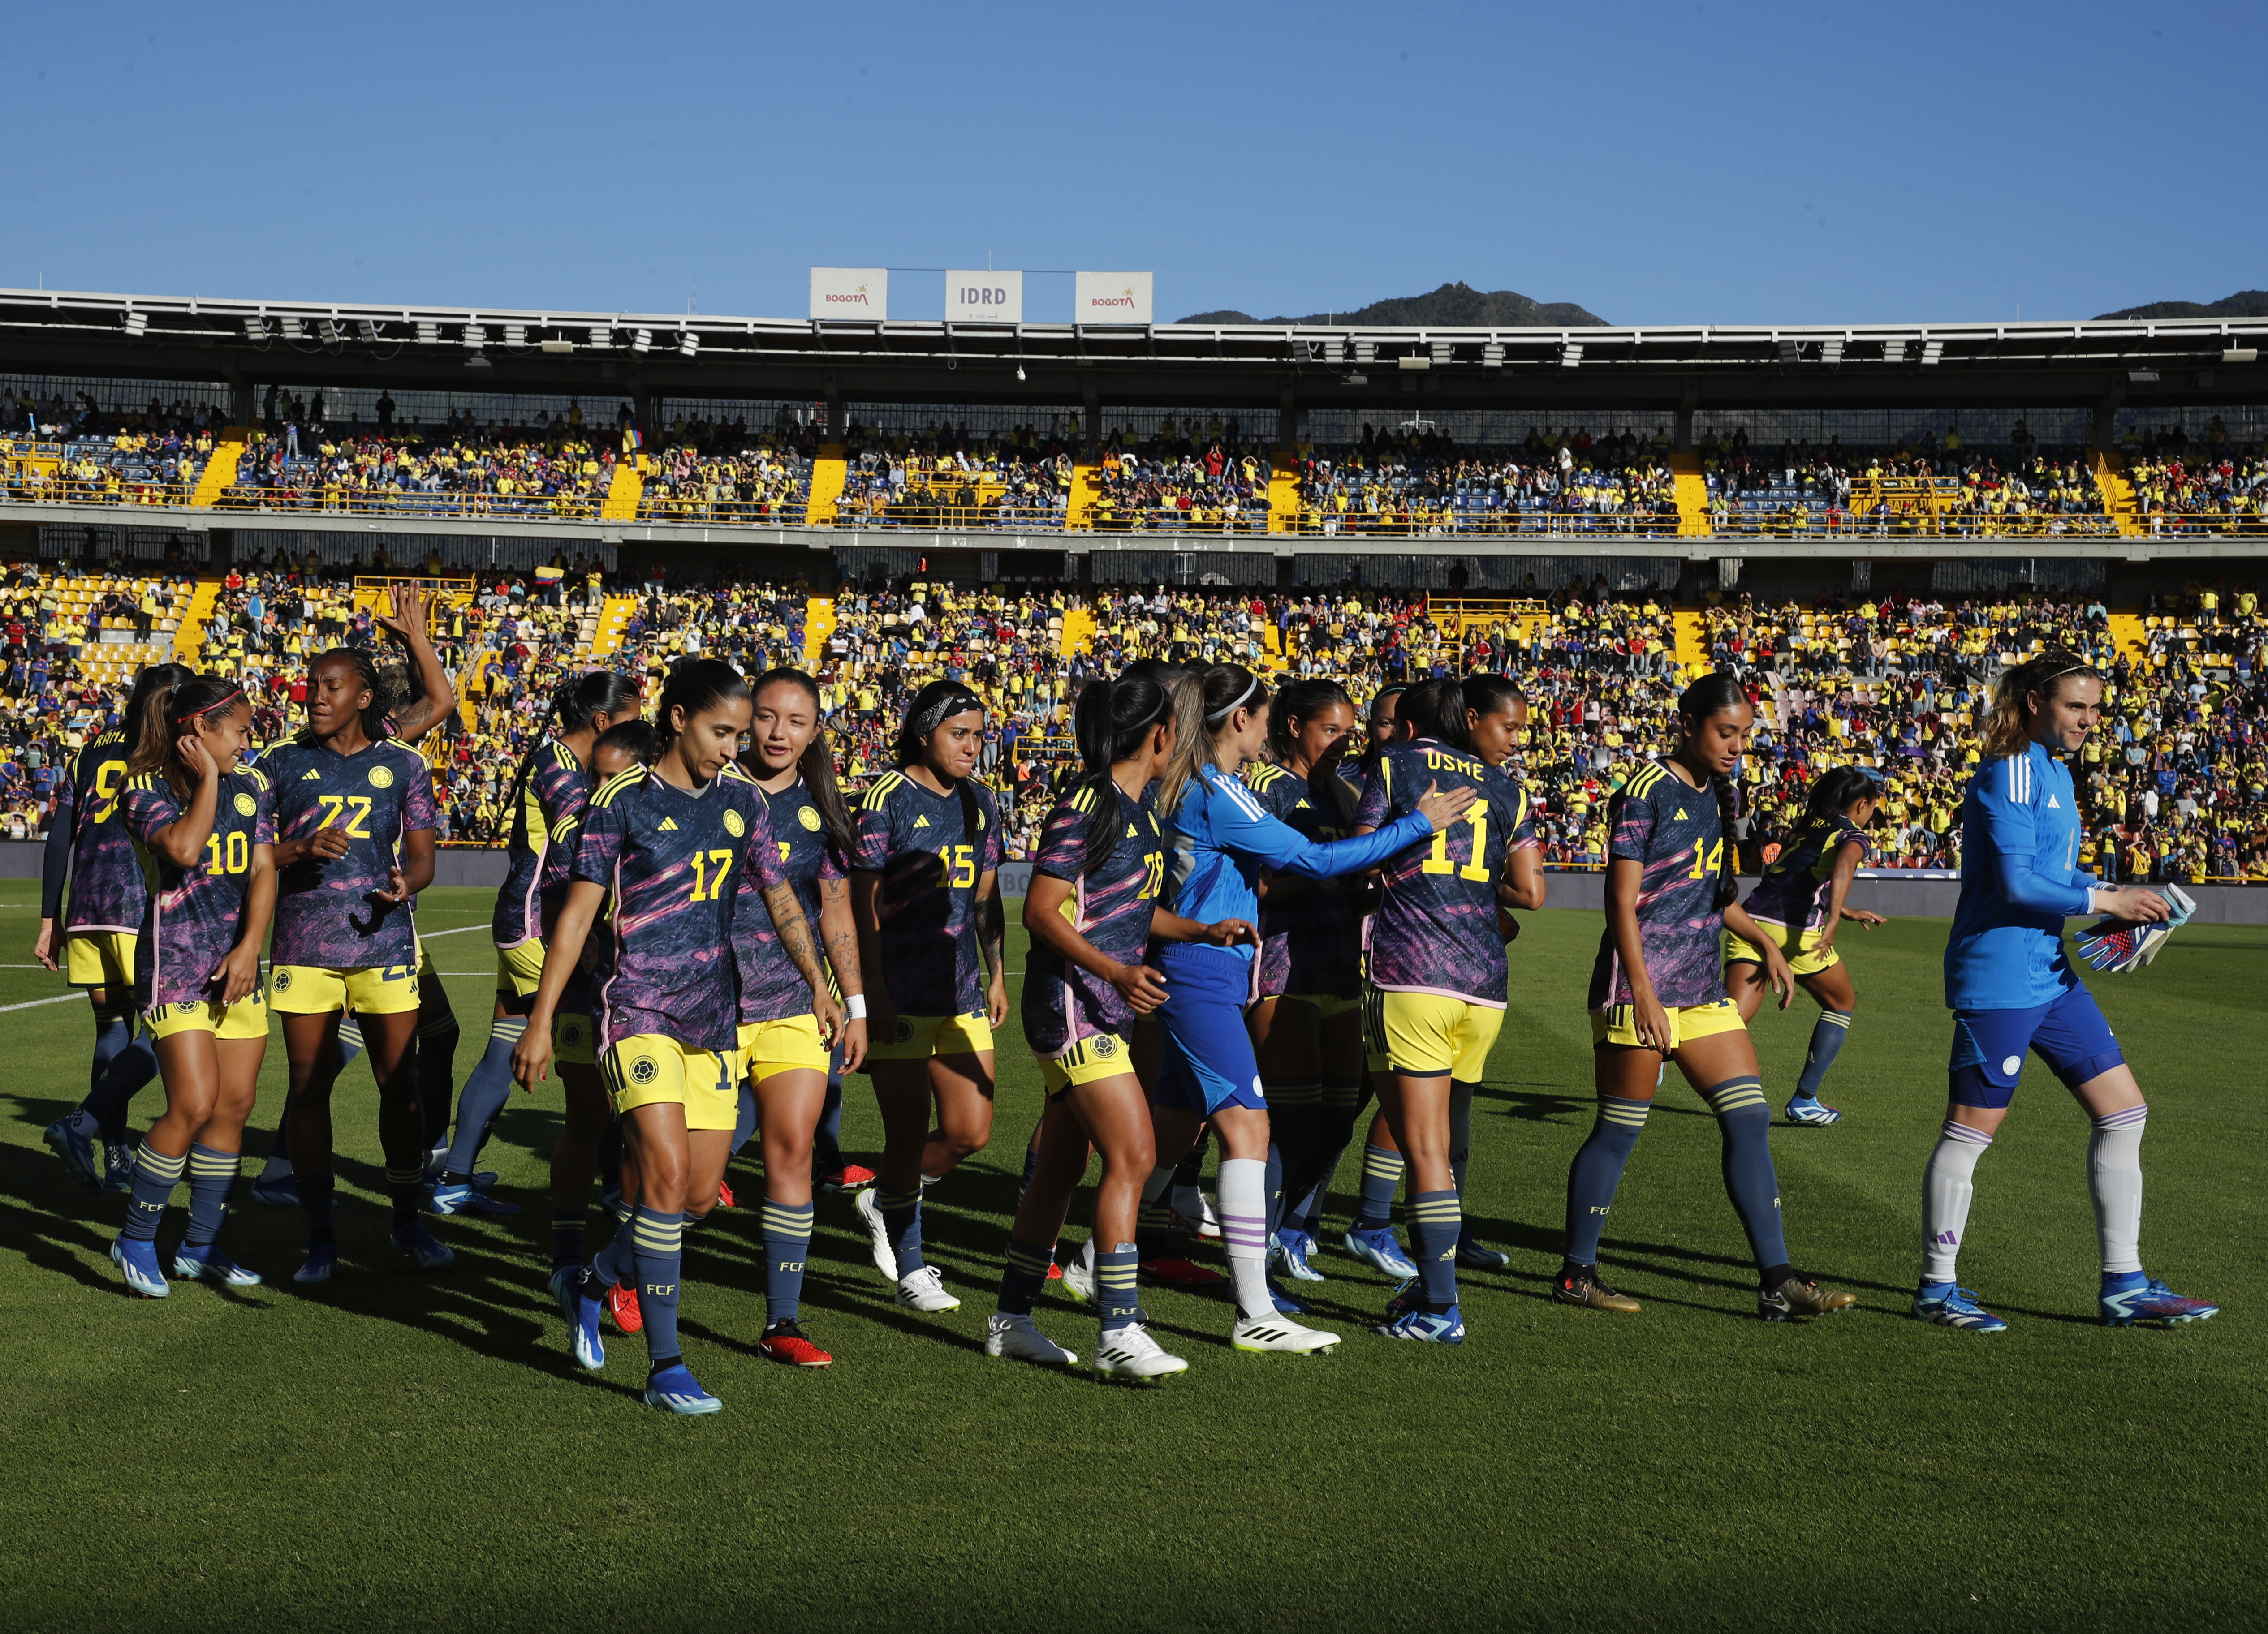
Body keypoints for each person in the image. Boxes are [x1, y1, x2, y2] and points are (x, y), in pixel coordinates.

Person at [514, 659, 844, 1415]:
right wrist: (540, 1019)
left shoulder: (743, 806)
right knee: (662, 1176)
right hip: (637, 1013)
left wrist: (819, 987)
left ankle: (591, 1280)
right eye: (721, 731)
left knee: (695, 1197)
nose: (734, 747)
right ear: (678, 719)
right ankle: (668, 1367)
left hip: (716, 1022)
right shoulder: (619, 804)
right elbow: (573, 918)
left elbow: (783, 900)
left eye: (738, 733)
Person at [1151, 662, 1473, 1354]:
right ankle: (1254, 1307)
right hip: (1214, 971)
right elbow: (1309, 864)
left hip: (1218, 968)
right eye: (1268, 716)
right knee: (1251, 1132)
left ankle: (1099, 1264)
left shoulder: (1211, 784)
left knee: (1170, 1137)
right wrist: (1418, 823)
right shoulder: (1223, 789)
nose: (1269, 728)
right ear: (1243, 720)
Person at [1915, 651, 2216, 1332]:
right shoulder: (2011, 771)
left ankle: (2124, 1285)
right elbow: (2019, 884)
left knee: (2123, 1113)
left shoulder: (2052, 771)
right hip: (1998, 978)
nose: (2088, 721)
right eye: (2075, 707)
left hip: (2048, 973)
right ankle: (1936, 1289)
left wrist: (2124, 906)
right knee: (1969, 1133)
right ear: (2034, 705)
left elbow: (2050, 873)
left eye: (2093, 709)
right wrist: (2107, 894)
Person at [1559, 672, 1856, 1322]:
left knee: (1748, 1117)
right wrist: (1641, 994)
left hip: (1698, 988)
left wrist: (1768, 945)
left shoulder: (1715, 794)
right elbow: (1620, 900)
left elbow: (1714, 896)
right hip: (1637, 986)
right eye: (1726, 733)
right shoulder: (1643, 791)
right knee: (1617, 1132)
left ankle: (1776, 1281)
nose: (1736, 746)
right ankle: (1577, 1273)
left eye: (1744, 735)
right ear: (1688, 723)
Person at [989, 666, 1252, 1379]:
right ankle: (1120, 1327)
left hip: (1097, 1003)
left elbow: (1130, 910)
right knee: (1133, 1156)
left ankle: (1011, 1318)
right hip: (1073, 1006)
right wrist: (1115, 974)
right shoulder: (1087, 804)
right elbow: (1040, 911)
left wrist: (1201, 931)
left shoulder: (1138, 811)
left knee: (1062, 1170)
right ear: (1160, 735)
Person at [1354, 675, 1546, 1342]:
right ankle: (1428, 1282)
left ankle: (1440, 1307)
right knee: (1440, 1140)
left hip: (1410, 974)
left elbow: (1359, 858)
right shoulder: (1508, 787)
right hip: (1484, 984)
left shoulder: (1394, 764)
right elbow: (1530, 891)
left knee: (1423, 1148)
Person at [260, 644, 448, 1285]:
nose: (314, 697)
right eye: (311, 686)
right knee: (308, 1089)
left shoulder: (404, 765)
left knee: (400, 1087)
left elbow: (423, 859)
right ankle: (319, 1238)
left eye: (330, 687)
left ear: (363, 698)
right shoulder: (277, 763)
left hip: (384, 944)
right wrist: (296, 849)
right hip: (302, 946)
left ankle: (406, 1218)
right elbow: (246, 856)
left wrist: (406, 887)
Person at [430, 671, 639, 1219]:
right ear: (601, 722)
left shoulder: (560, 761)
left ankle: (455, 1180)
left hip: (527, 919)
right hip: (539, 924)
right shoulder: (563, 771)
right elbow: (584, 846)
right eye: (631, 722)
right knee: (595, 1052)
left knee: (503, 1046)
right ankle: (618, 1186)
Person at [107, 674, 276, 1295]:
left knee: (234, 1107)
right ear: (200, 730)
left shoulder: (254, 784)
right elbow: (182, 848)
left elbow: (263, 871)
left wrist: (250, 948)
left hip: (236, 967)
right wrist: (207, 779)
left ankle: (200, 1247)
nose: (247, 743)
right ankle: (135, 1239)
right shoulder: (145, 788)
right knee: (193, 1104)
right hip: (175, 964)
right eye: (239, 731)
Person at [849, 680, 1009, 1314]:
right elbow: (863, 907)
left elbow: (985, 898)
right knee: (908, 1133)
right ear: (924, 733)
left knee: (972, 1132)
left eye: (978, 736)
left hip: (962, 988)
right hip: (902, 991)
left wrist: (995, 971)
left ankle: (883, 1197)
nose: (972, 747)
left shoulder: (980, 802)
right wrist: (873, 992)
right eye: (959, 734)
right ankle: (912, 1268)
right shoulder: (886, 797)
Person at [731, 667, 868, 1369]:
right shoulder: (712, 791)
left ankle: (781, 1323)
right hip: (708, 1005)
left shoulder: (823, 808)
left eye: (795, 721)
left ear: (815, 731)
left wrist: (855, 1006)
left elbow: (836, 910)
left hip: (795, 1000)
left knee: (792, 1152)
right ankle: (614, 1273)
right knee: (693, 1184)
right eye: (765, 717)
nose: (779, 733)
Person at [39, 662, 185, 1191]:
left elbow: (60, 838)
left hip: (86, 907)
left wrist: (48, 918)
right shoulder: (169, 747)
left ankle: (117, 1157)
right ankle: (90, 1124)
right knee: (174, 1028)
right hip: (140, 905)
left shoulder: (91, 747)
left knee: (111, 1031)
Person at [1241, 678, 1365, 1284]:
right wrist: (1326, 876)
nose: (1343, 742)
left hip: (1338, 965)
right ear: (1293, 727)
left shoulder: (1341, 794)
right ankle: (1253, 1253)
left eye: (1349, 731)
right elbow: (1258, 884)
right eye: (1330, 730)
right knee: (1288, 1124)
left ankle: (1285, 1232)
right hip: (1282, 966)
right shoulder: (1268, 787)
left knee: (1337, 1120)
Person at [1726, 765, 1886, 1125]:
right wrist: (1831, 921)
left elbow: (1798, 880)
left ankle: (1659, 1059)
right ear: (1861, 804)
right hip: (1797, 933)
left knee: (1730, 1018)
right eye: (1873, 806)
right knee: (1842, 1003)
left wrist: (1842, 911)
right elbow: (1844, 866)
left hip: (1751, 922)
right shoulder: (1853, 836)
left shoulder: (1808, 826)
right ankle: (1804, 1100)